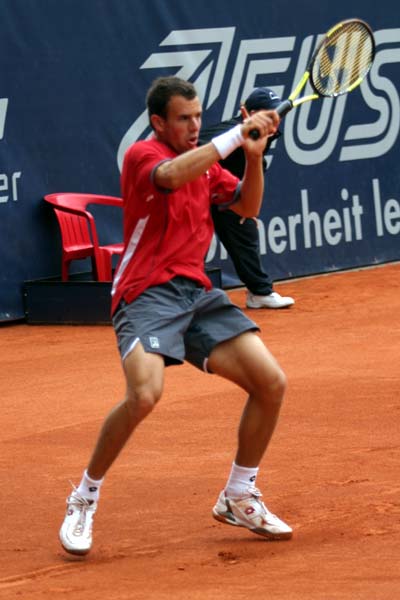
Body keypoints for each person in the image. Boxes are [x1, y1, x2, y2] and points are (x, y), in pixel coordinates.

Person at [59, 76, 292, 555]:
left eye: (199, 116)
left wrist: (253, 157)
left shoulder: (207, 166)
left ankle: (239, 494)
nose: (194, 125)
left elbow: (247, 207)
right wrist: (235, 136)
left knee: (271, 383)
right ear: (158, 122)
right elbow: (170, 176)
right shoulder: (143, 156)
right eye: (184, 118)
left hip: (197, 294)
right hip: (145, 294)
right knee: (144, 394)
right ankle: (84, 496)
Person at [200, 87, 294, 309]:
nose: (275, 118)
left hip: (223, 189)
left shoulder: (264, 134)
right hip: (194, 191)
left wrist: (243, 204)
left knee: (244, 223)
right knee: (194, 243)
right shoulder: (229, 131)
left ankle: (259, 292)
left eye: (276, 113)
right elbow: (192, 151)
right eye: (267, 113)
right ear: (249, 114)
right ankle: (189, 294)